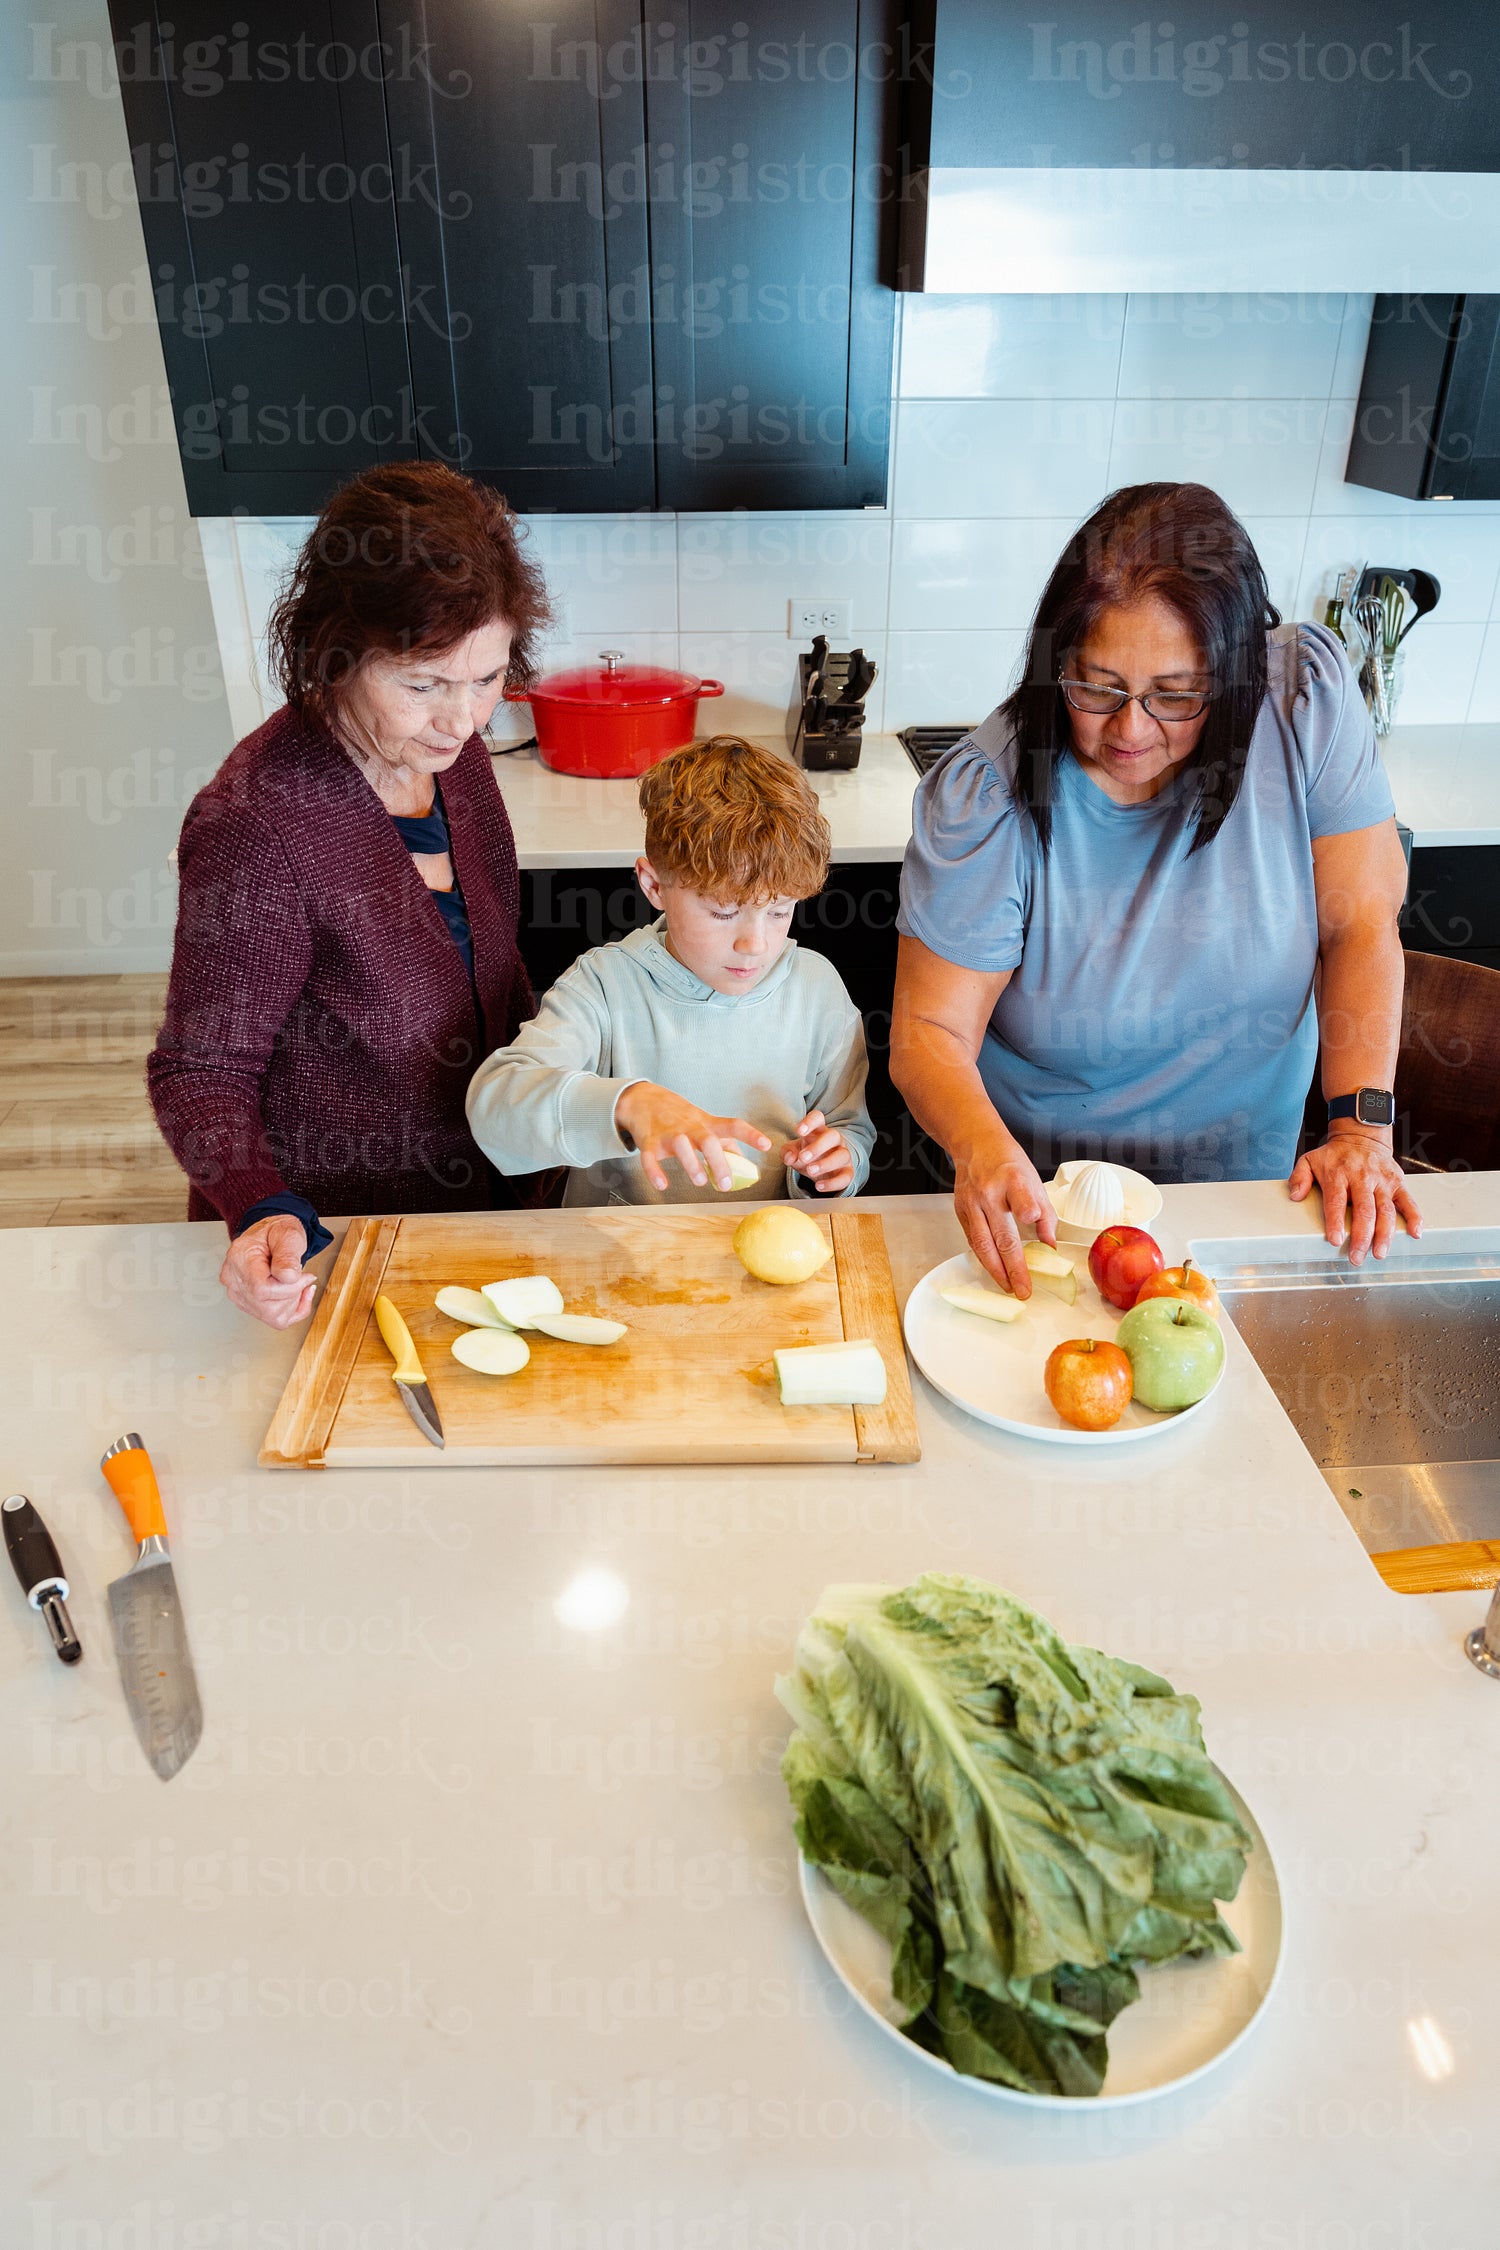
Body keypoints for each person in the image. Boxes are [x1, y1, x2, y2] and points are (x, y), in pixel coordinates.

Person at [891, 482, 1422, 1299]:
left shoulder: (1304, 702)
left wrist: (1359, 1128)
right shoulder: (988, 795)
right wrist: (978, 1149)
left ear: (1238, 674)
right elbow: (929, 1029)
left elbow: (1359, 929)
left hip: (1246, 1197)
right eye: (1096, 687)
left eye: (1176, 695)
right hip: (1046, 1214)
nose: (1131, 730)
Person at [148, 461, 552, 1328]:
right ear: (334, 653)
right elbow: (200, 1070)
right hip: (341, 1240)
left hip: (489, 1196)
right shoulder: (256, 822)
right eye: (422, 683)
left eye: (486, 678)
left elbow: (491, 967)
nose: (465, 718)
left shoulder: (453, 757)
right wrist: (260, 1207)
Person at [466, 736, 874, 1203]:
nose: (754, 944)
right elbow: (495, 1109)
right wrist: (628, 1104)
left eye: (780, 910)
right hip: (623, 1259)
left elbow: (849, 1129)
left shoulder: (816, 989)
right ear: (654, 886)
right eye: (722, 912)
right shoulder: (604, 986)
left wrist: (837, 1163)